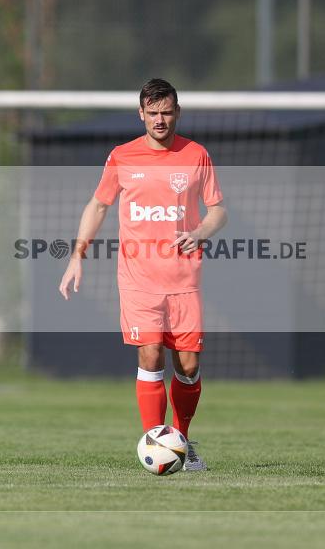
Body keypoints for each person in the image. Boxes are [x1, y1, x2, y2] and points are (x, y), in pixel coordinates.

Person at [59, 78, 227, 469]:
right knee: (150, 356)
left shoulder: (196, 155)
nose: (160, 120)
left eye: (166, 112)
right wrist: (76, 255)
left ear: (177, 112)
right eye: (152, 113)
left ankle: (182, 440)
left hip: (184, 281)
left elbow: (219, 210)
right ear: (141, 114)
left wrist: (200, 231)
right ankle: (156, 443)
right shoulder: (122, 156)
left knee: (187, 366)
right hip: (139, 281)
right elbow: (98, 206)